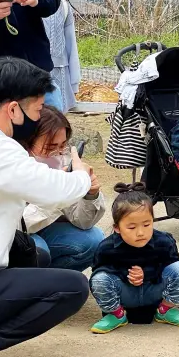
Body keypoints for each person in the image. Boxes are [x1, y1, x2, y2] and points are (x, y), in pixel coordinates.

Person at [0, 57, 94, 357]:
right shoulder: (4, 152)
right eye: (37, 110)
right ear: (13, 110)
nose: (39, 118)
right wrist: (81, 176)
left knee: (30, 254)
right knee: (71, 288)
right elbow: (54, 190)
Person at [89, 183, 179, 333]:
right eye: (132, 227)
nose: (140, 233)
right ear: (117, 227)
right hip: (125, 294)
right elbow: (100, 272)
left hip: (154, 291)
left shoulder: (164, 241)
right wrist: (127, 274)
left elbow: (170, 265)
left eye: (146, 224)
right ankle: (116, 314)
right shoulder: (106, 247)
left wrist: (147, 273)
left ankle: (165, 310)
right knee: (98, 279)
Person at [20, 105, 105, 271]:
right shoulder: (12, 165)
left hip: (44, 232)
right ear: (27, 144)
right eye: (51, 147)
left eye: (63, 145)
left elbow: (83, 222)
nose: (58, 153)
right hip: (14, 237)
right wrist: (55, 194)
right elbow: (19, 225)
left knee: (94, 240)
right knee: (38, 251)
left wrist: (89, 195)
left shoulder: (61, 162)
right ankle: (25, 288)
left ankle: (49, 284)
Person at [38, 0, 81, 113]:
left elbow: (70, 42)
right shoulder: (23, 3)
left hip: (59, 70)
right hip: (32, 71)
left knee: (57, 116)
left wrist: (74, 78)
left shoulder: (63, 5)